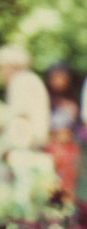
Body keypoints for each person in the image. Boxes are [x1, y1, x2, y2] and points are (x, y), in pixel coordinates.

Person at [0, 45, 56, 214]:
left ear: (13, 66)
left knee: (22, 205)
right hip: (34, 149)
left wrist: (15, 149)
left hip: (25, 150)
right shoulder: (31, 80)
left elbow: (21, 118)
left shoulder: (21, 81)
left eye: (1, 67)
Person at [44, 63, 80, 202]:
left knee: (68, 186)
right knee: (50, 183)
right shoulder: (46, 101)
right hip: (52, 147)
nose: (59, 81)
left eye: (62, 77)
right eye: (55, 77)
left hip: (69, 149)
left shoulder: (72, 102)